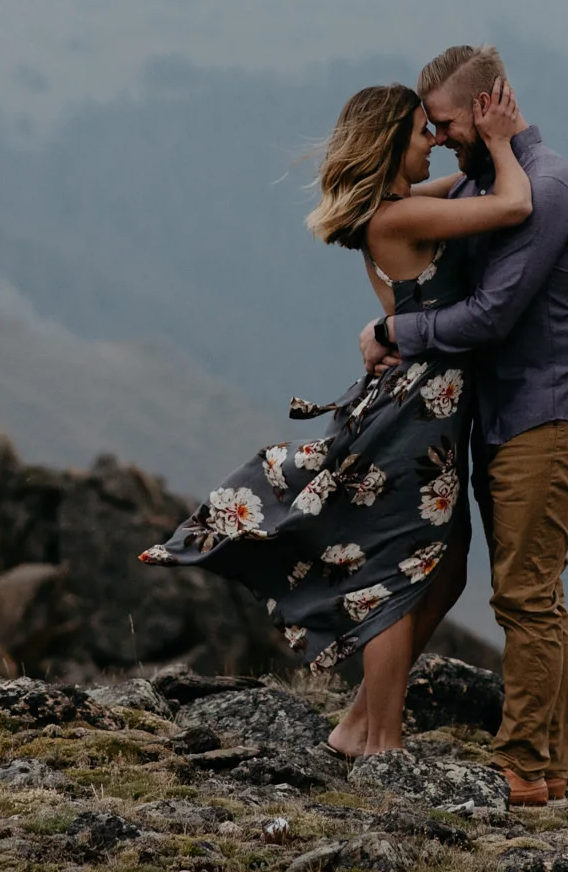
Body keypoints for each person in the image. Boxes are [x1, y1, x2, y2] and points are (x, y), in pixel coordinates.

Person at [142, 76, 535, 758]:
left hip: (427, 416)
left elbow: (469, 193)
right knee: (398, 571)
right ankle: (380, 738)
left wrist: (480, 152)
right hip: (416, 417)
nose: (433, 147)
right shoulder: (394, 218)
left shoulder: (395, 207)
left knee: (444, 571)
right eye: (422, 134)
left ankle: (358, 721)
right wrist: (502, 142)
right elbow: (512, 205)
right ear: (390, 143)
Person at [357, 45, 568, 809]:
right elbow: (404, 210)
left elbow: (494, 313)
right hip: (511, 412)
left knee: (525, 593)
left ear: (484, 107)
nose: (437, 137)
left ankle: (520, 769)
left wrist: (395, 337)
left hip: (553, 408)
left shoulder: (548, 186)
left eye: (443, 122)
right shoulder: (485, 177)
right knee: (536, 592)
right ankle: (546, 768)